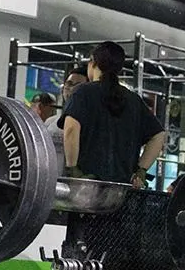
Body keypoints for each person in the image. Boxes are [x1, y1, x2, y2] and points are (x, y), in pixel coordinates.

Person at [62, 41, 166, 187]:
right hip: (121, 191)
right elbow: (159, 135)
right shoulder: (134, 100)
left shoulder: (83, 92)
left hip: (87, 187)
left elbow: (71, 129)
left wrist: (72, 168)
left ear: (93, 63)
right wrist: (141, 170)